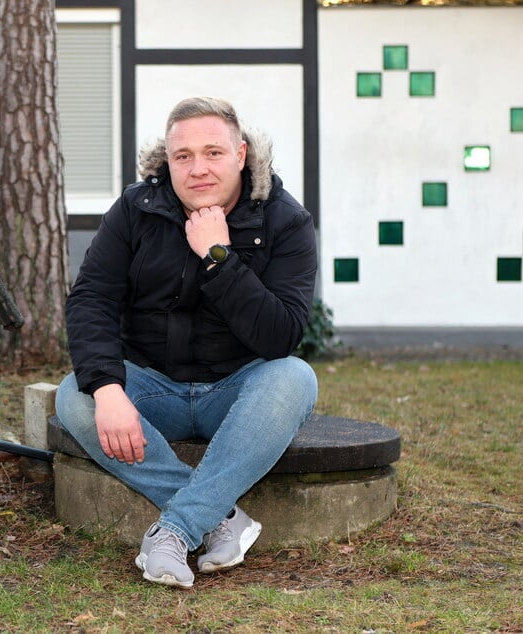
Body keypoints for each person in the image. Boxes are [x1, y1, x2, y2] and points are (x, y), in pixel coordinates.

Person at [55, 96, 319, 589]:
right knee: (76, 394)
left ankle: (176, 529)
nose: (198, 169)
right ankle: (220, 519)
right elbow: (91, 298)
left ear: (241, 154)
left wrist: (218, 257)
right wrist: (109, 390)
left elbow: (281, 335)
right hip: (155, 387)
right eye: (183, 156)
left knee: (294, 378)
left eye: (213, 153)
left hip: (237, 390)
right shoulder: (137, 210)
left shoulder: (286, 222)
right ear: (167, 160)